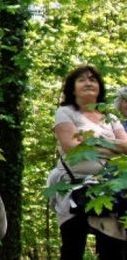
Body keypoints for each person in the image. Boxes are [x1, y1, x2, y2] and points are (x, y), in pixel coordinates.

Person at [46, 65, 127, 259]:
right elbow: (72, 148)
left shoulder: (110, 117)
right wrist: (113, 145)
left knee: (112, 249)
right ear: (72, 88)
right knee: (73, 247)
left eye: (92, 79)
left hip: (109, 190)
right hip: (73, 188)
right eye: (81, 80)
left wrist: (92, 141)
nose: (88, 82)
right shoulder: (65, 112)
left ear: (99, 86)